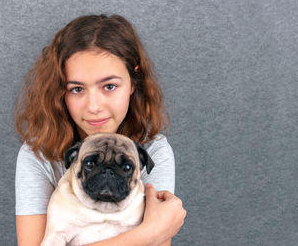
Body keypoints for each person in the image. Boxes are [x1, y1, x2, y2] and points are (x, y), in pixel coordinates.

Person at [14, 14, 186, 246]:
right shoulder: (38, 154)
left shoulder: (152, 150)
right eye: (77, 89)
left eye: (109, 86)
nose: (94, 107)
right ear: (59, 91)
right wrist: (149, 233)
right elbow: (155, 235)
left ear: (133, 82)